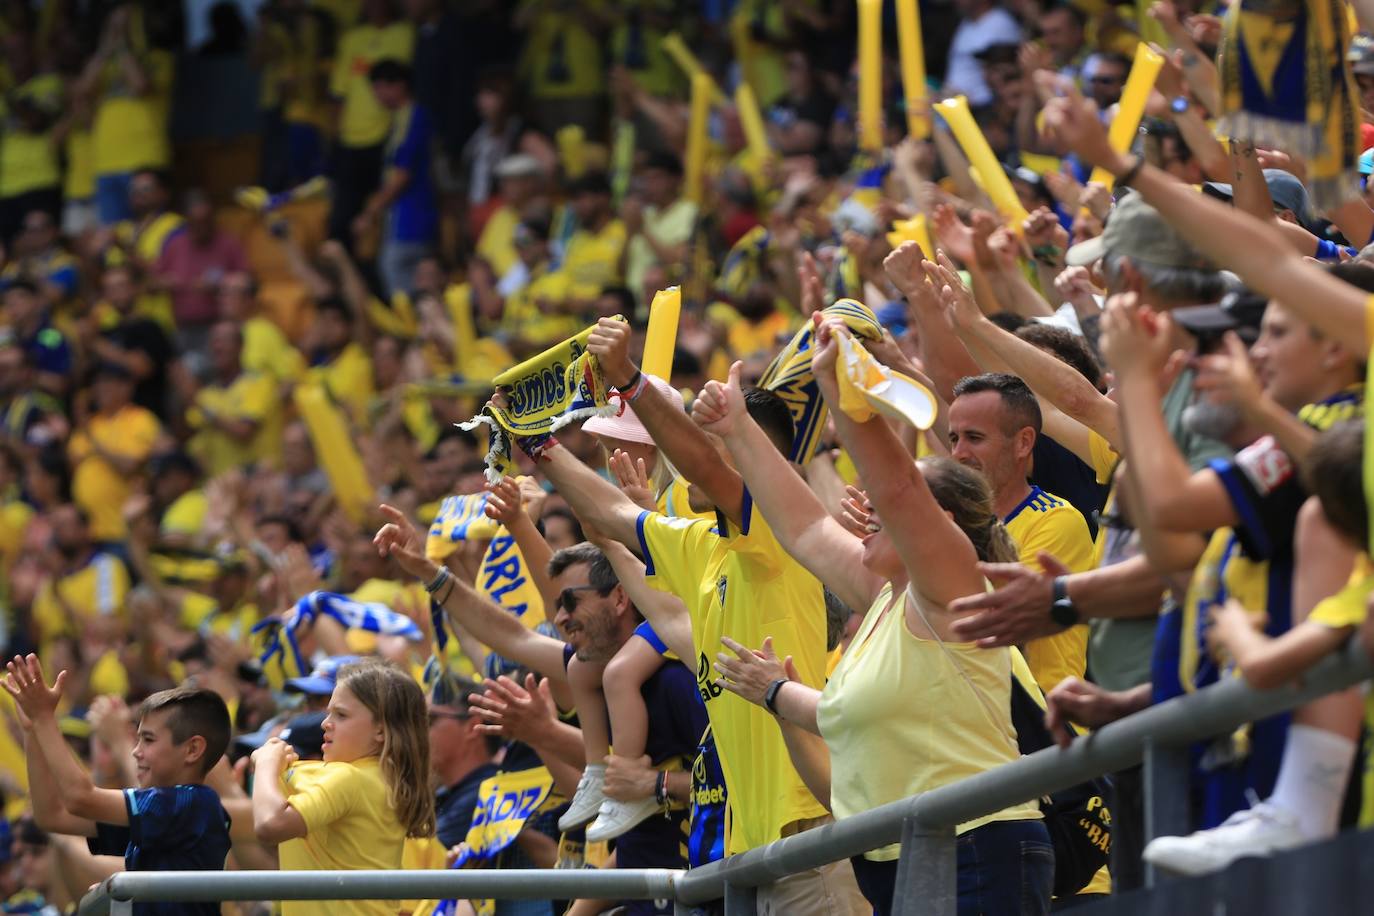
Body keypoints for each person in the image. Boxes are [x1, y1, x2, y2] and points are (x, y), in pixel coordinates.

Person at [698, 330, 1051, 915]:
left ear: (936, 522)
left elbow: (900, 486)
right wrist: (737, 428)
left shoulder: (955, 590)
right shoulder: (889, 598)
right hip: (896, 857)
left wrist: (843, 393)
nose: (866, 513)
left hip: (971, 849)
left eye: (883, 510)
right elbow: (805, 528)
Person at [5, 656, 232, 916]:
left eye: (148, 740)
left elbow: (79, 797)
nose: (136, 751)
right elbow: (52, 816)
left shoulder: (190, 804)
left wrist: (45, 718)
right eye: (138, 739)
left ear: (192, 749)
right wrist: (32, 730)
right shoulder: (162, 816)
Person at [946, 371, 1095, 693]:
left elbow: (990, 623)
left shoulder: (1057, 520)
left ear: (1023, 443)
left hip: (1042, 711)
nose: (959, 453)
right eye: (954, 439)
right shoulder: (953, 525)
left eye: (974, 438)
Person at [251, 659, 435, 916]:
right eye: (328, 713)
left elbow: (270, 824)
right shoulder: (381, 777)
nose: (325, 723)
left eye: (341, 715)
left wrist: (266, 764)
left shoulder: (349, 779)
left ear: (381, 730)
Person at [354, 60, 438, 298]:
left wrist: (370, 212)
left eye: (381, 87)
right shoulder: (399, 119)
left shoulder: (414, 117)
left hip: (413, 219)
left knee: (399, 274)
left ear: (400, 85)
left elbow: (402, 174)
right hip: (401, 220)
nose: (377, 95)